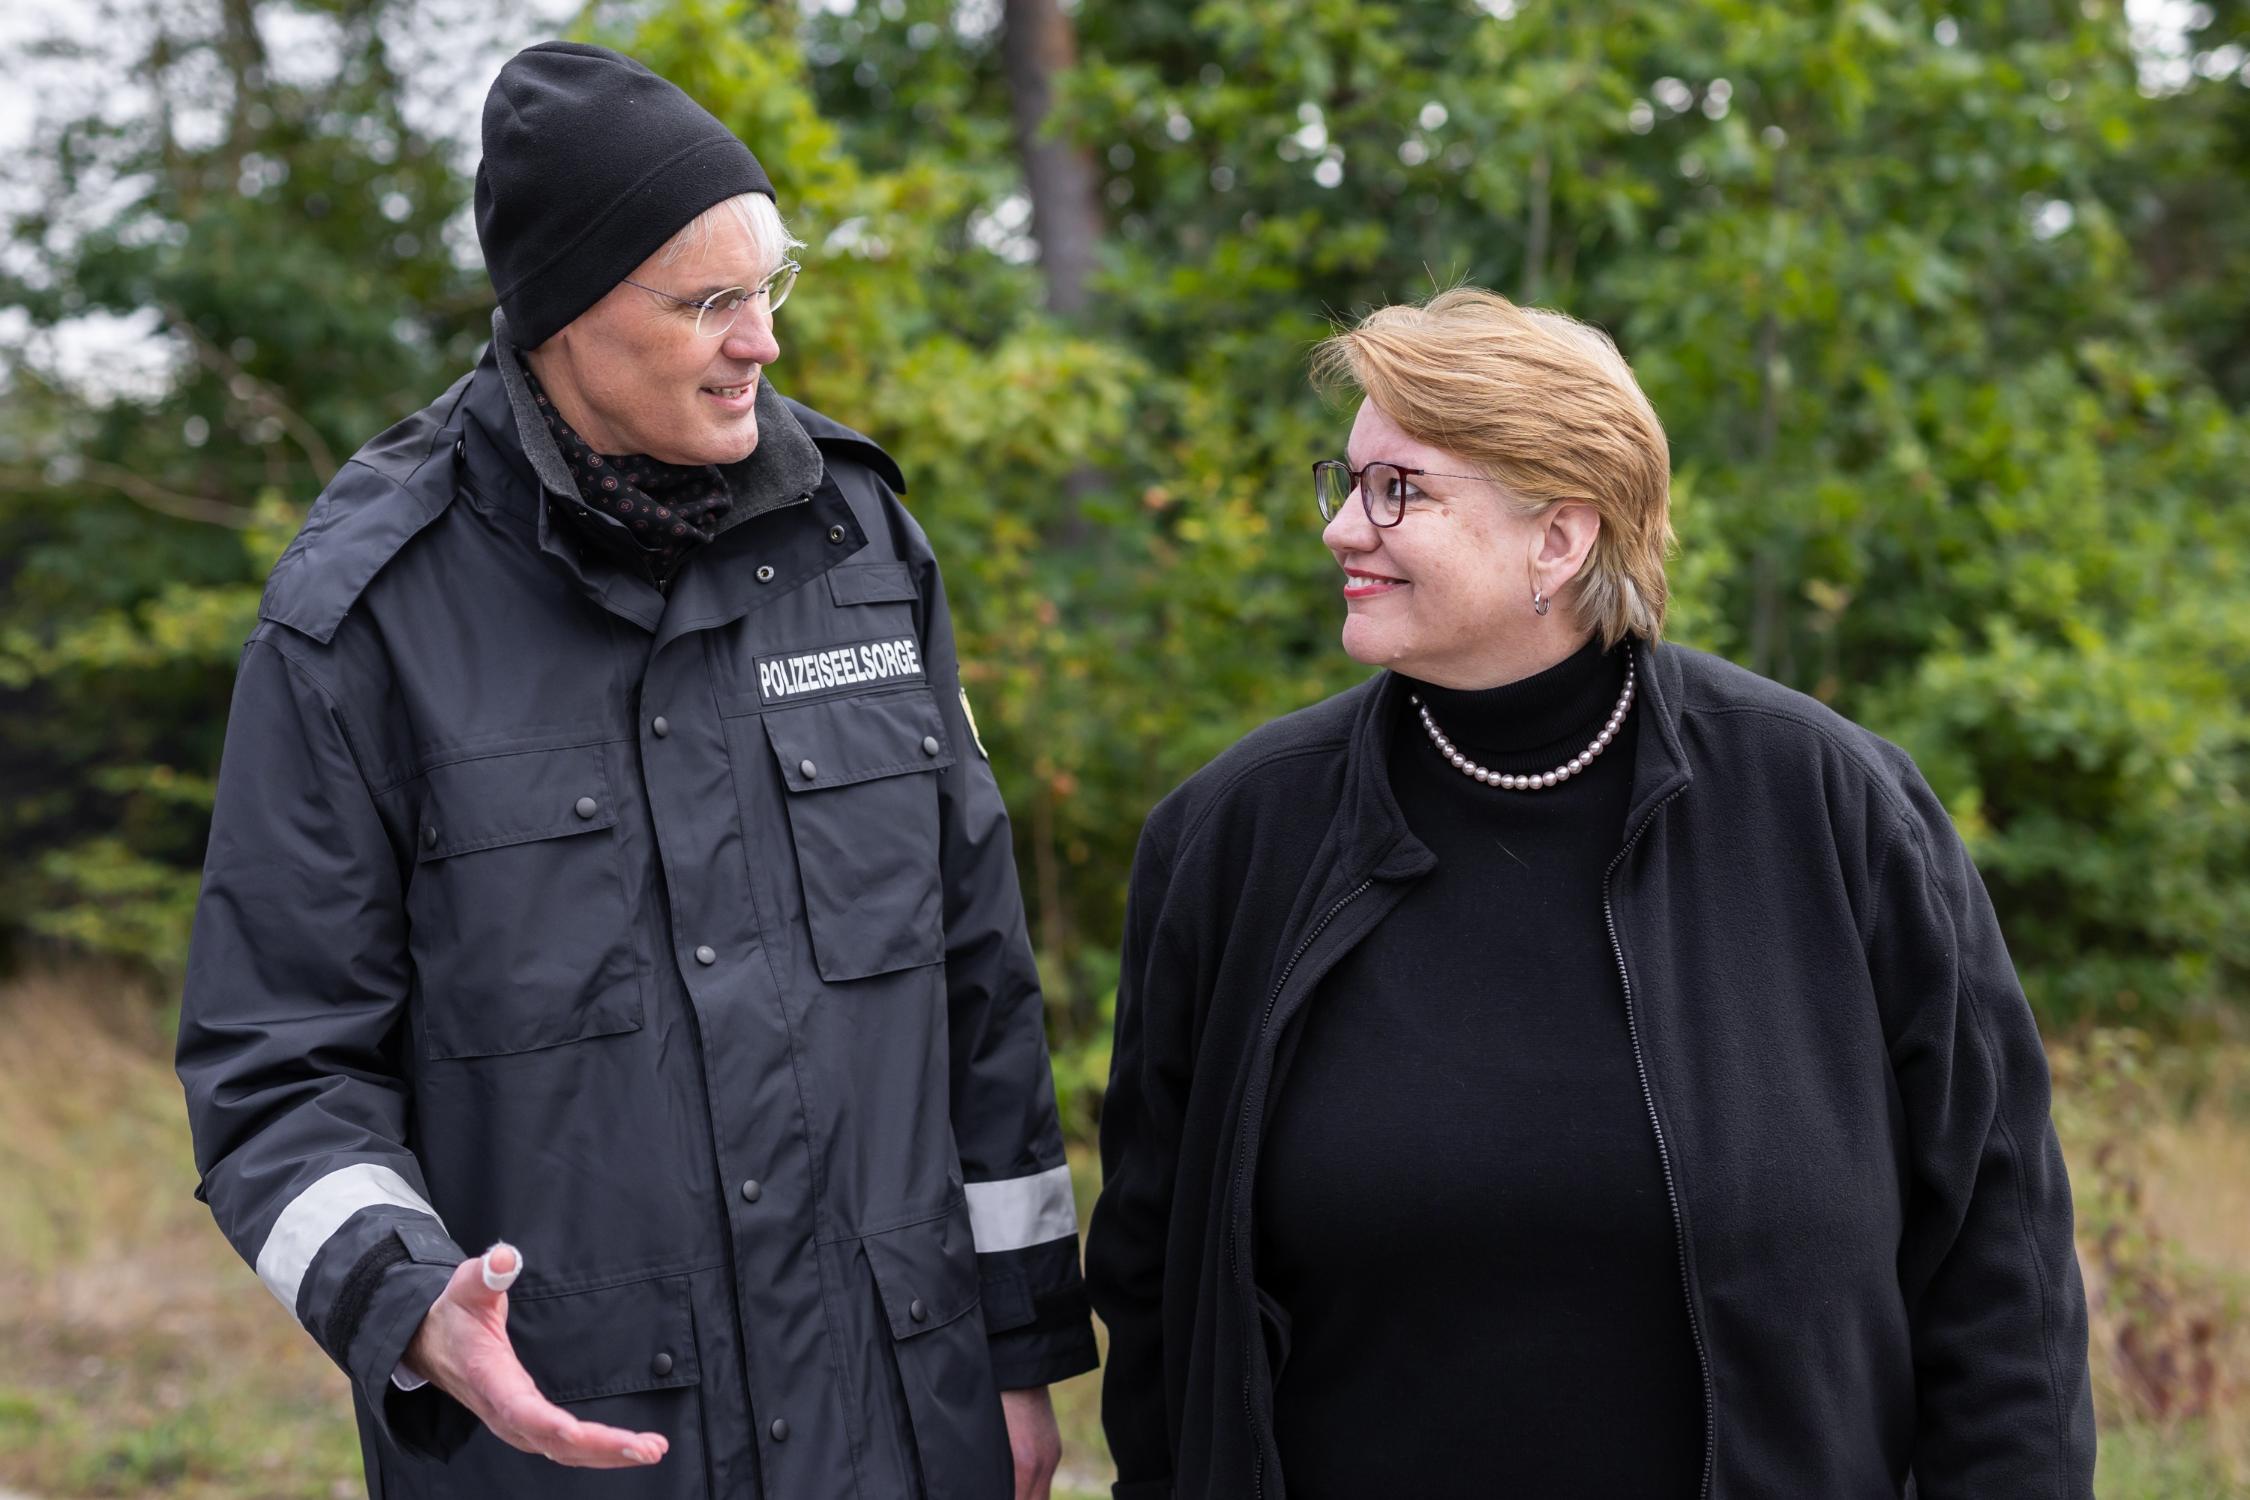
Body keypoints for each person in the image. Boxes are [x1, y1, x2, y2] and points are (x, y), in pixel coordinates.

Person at [176, 41, 1095, 1500]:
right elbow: (276, 1062)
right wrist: (408, 1301)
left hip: (898, 1427)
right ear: (565, 316)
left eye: (769, 288)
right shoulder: (363, 618)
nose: (763, 345)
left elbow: (976, 983)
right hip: (573, 1444)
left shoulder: (859, 552)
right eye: (709, 303)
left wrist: (1016, 1353)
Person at [1084, 288, 2094, 1499]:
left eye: (1398, 489)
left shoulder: (1833, 811)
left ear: (1560, 539)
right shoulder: (1235, 839)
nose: (1343, 530)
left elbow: (1999, 1260)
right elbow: (1155, 1292)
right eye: (1343, 481)